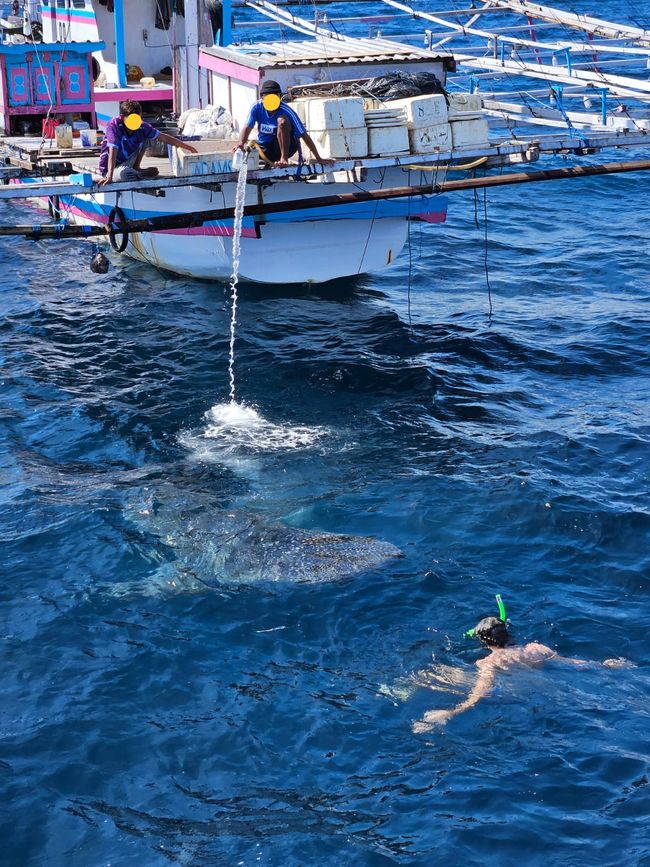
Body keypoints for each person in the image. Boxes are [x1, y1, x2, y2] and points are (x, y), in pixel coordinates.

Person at [412, 597, 632, 733]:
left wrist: (452, 712)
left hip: (528, 700)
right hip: (555, 688)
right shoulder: (536, 648)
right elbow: (573, 664)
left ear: (483, 641)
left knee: (434, 675)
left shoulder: (488, 662)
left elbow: (481, 693)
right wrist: (604, 666)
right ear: (507, 633)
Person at [234, 80, 333, 168]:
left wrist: (319, 158)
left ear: (279, 96)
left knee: (282, 121)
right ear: (262, 97)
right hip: (265, 149)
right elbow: (247, 126)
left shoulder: (286, 110)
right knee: (248, 148)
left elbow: (304, 135)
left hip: (286, 148)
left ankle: (283, 159)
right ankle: (270, 163)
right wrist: (240, 144)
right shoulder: (256, 107)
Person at [98, 99, 197, 186]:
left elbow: (165, 138)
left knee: (147, 137)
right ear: (123, 117)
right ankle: (139, 173)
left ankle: (137, 169)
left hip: (128, 161)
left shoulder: (142, 126)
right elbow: (112, 151)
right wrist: (109, 176)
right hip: (111, 167)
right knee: (125, 174)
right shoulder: (114, 125)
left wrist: (188, 147)